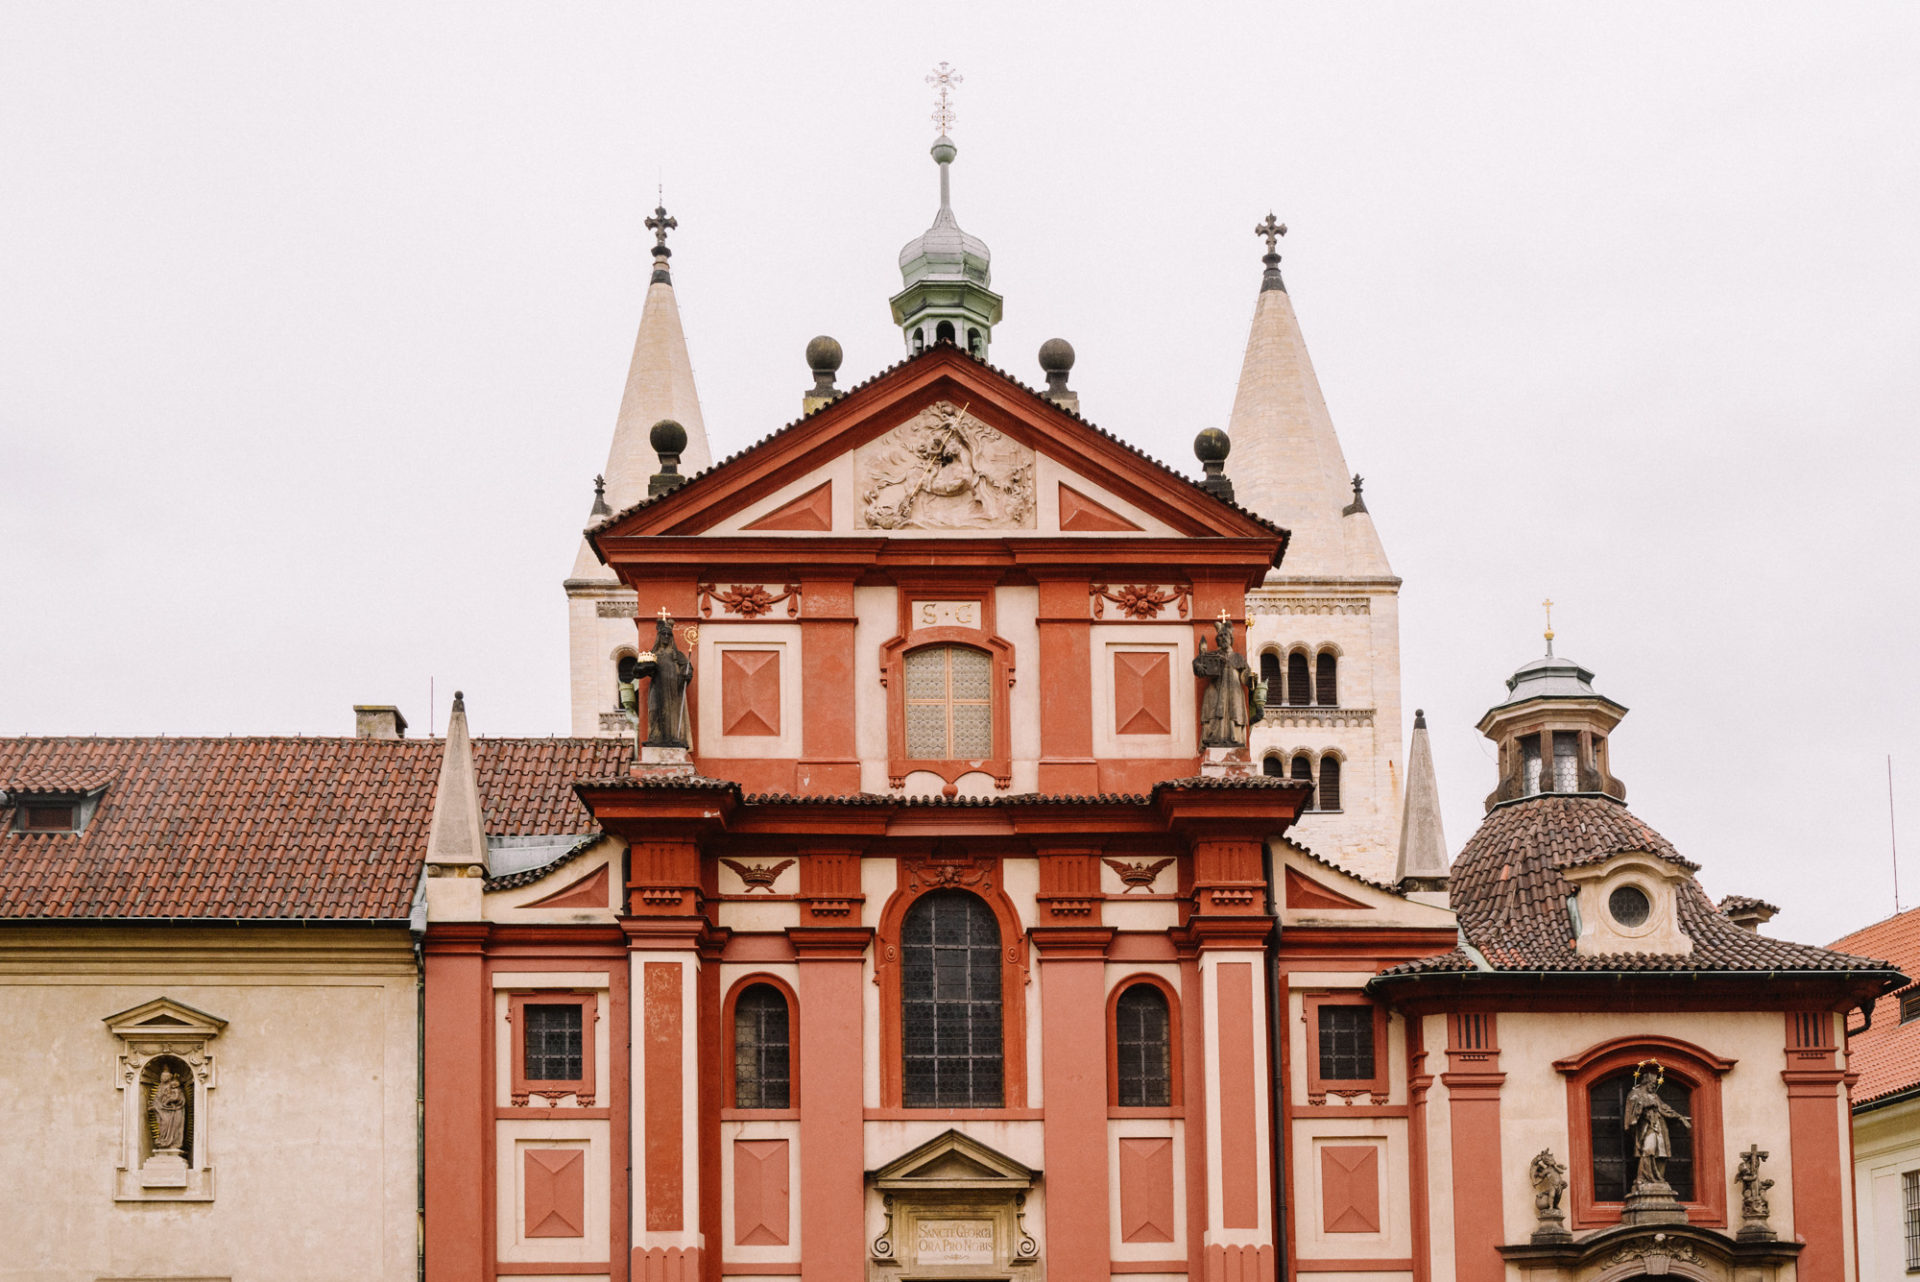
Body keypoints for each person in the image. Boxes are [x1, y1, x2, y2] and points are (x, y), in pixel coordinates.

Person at [1624, 1063, 1690, 1190]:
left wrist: (1679, 1117)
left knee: (1661, 1152)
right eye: (1651, 1084)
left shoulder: (1654, 1096)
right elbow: (1632, 1112)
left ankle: (1658, 1179)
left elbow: (1664, 1108)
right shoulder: (1635, 1094)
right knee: (1647, 1150)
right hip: (1645, 1127)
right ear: (1645, 1083)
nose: (1653, 1087)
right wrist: (1645, 1106)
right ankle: (1642, 1179)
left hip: (1659, 1126)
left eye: (1655, 1085)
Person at [1193, 617, 1251, 747]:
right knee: (1213, 711)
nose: (1224, 638)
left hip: (1234, 689)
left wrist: (1250, 677)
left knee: (1234, 712)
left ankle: (1234, 737)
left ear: (1231, 639)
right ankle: (1214, 737)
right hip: (1217, 688)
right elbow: (1199, 662)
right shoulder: (1213, 655)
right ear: (1218, 640)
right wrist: (1198, 666)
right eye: (1221, 636)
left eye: (1226, 636)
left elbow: (1245, 677)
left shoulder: (1238, 657)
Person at [150, 1067, 186, 1153]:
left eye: (165, 1077)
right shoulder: (160, 1088)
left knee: (175, 1127)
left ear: (169, 1077)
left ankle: (173, 1143)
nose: (163, 1078)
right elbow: (157, 1100)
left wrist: (171, 1101)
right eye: (162, 1077)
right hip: (162, 1111)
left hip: (174, 1110)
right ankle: (163, 1140)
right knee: (163, 1124)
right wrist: (156, 1106)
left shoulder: (175, 1088)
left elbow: (179, 1098)